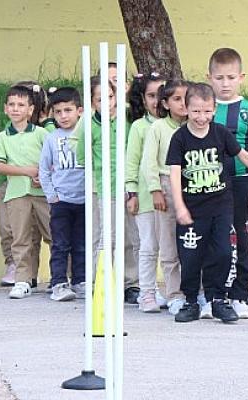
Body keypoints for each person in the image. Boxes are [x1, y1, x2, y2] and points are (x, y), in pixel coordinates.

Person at [167, 83, 248, 323]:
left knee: (224, 253)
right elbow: (174, 174)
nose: (201, 117)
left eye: (207, 111)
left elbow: (246, 156)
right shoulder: (180, 138)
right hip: (192, 210)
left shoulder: (220, 133)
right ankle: (191, 301)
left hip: (221, 206)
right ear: (186, 109)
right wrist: (179, 206)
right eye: (196, 111)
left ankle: (218, 299)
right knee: (191, 257)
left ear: (214, 109)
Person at [207, 48, 248, 319]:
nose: (225, 83)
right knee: (213, 241)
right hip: (210, 185)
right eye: (219, 78)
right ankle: (212, 295)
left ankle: (239, 295)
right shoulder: (204, 107)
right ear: (209, 78)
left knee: (242, 241)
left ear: (241, 77)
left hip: (242, 183)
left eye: (231, 77)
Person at [75, 76, 141, 304]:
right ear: (92, 102)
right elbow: (82, 157)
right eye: (100, 99)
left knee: (131, 236)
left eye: (110, 97)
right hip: (104, 188)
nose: (107, 103)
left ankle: (131, 283)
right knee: (105, 238)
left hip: (129, 186)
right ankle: (101, 281)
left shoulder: (127, 118)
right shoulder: (89, 124)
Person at [0, 85, 52, 299]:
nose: (16, 109)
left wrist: (41, 174)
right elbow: (0, 166)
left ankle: (61, 278)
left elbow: (52, 160)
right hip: (16, 195)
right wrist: (27, 171)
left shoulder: (42, 134)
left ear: (30, 109)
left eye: (21, 105)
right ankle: (23, 280)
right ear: (5, 109)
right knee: (21, 238)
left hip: (43, 194)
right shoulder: (2, 137)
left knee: (53, 234)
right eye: (12, 105)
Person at [140, 79, 190, 315]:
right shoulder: (158, 128)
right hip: (166, 185)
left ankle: (196, 292)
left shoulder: (196, 126)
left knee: (194, 243)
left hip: (193, 186)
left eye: (186, 98)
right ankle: (174, 294)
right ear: (166, 103)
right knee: (169, 245)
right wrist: (155, 189)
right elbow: (148, 162)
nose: (183, 103)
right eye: (176, 99)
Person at [39, 87, 87, 302]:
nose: (63, 116)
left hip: (85, 200)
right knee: (60, 244)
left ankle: (80, 280)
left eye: (68, 110)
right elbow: (44, 169)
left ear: (80, 111)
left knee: (81, 244)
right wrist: (52, 196)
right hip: (61, 201)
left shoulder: (86, 135)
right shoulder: (52, 138)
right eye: (58, 112)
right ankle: (58, 282)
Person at [125, 72, 167, 312]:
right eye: (151, 96)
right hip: (145, 197)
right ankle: (147, 293)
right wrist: (131, 192)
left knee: (172, 250)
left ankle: (175, 292)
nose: (156, 101)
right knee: (148, 247)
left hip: (172, 197)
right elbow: (131, 162)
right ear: (143, 99)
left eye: (161, 95)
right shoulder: (139, 127)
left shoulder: (177, 125)